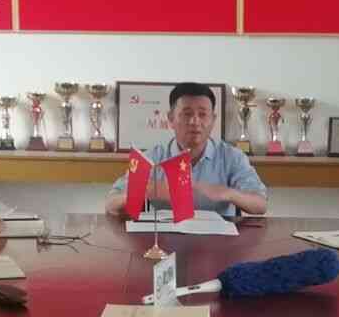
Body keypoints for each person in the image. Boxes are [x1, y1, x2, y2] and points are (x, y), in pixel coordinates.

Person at [104, 83, 267, 220]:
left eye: (202, 114)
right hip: (166, 240)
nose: (195, 121)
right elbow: (111, 204)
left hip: (218, 243)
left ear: (213, 120)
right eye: (187, 114)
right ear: (171, 118)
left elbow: (260, 205)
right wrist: (145, 191)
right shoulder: (152, 157)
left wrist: (227, 193)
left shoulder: (232, 157)